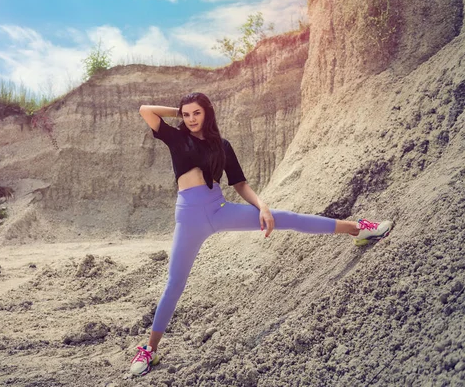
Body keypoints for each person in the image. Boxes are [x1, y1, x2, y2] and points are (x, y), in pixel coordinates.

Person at [129, 92, 392, 376]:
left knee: (285, 218)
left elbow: (240, 184)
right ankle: (150, 350)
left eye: (197, 113)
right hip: (189, 218)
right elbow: (146, 110)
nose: (192, 119)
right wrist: (178, 111)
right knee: (174, 284)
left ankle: (357, 229)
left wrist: (263, 206)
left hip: (219, 209)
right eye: (187, 114)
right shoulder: (176, 137)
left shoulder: (222, 146)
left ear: (208, 113)